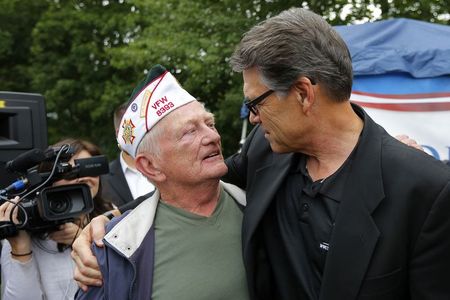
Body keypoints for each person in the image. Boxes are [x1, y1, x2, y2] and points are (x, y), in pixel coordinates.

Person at [72, 8, 450, 300]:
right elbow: (185, 187)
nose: (252, 117)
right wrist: (107, 222)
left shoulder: (423, 189)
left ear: (303, 93)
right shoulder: (265, 151)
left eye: (256, 103)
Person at [74, 65, 249, 299]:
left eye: (210, 123)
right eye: (190, 132)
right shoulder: (114, 249)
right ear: (151, 166)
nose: (213, 137)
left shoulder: (261, 205)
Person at [0, 138, 114, 300]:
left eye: (89, 170)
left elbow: (129, 279)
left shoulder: (112, 214)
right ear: (48, 180)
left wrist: (85, 239)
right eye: (70, 172)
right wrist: (21, 249)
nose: (82, 178)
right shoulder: (23, 226)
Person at [101, 102, 155, 207]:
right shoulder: (103, 180)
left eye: (144, 127)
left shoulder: (167, 167)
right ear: (119, 134)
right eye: (134, 129)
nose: (142, 133)